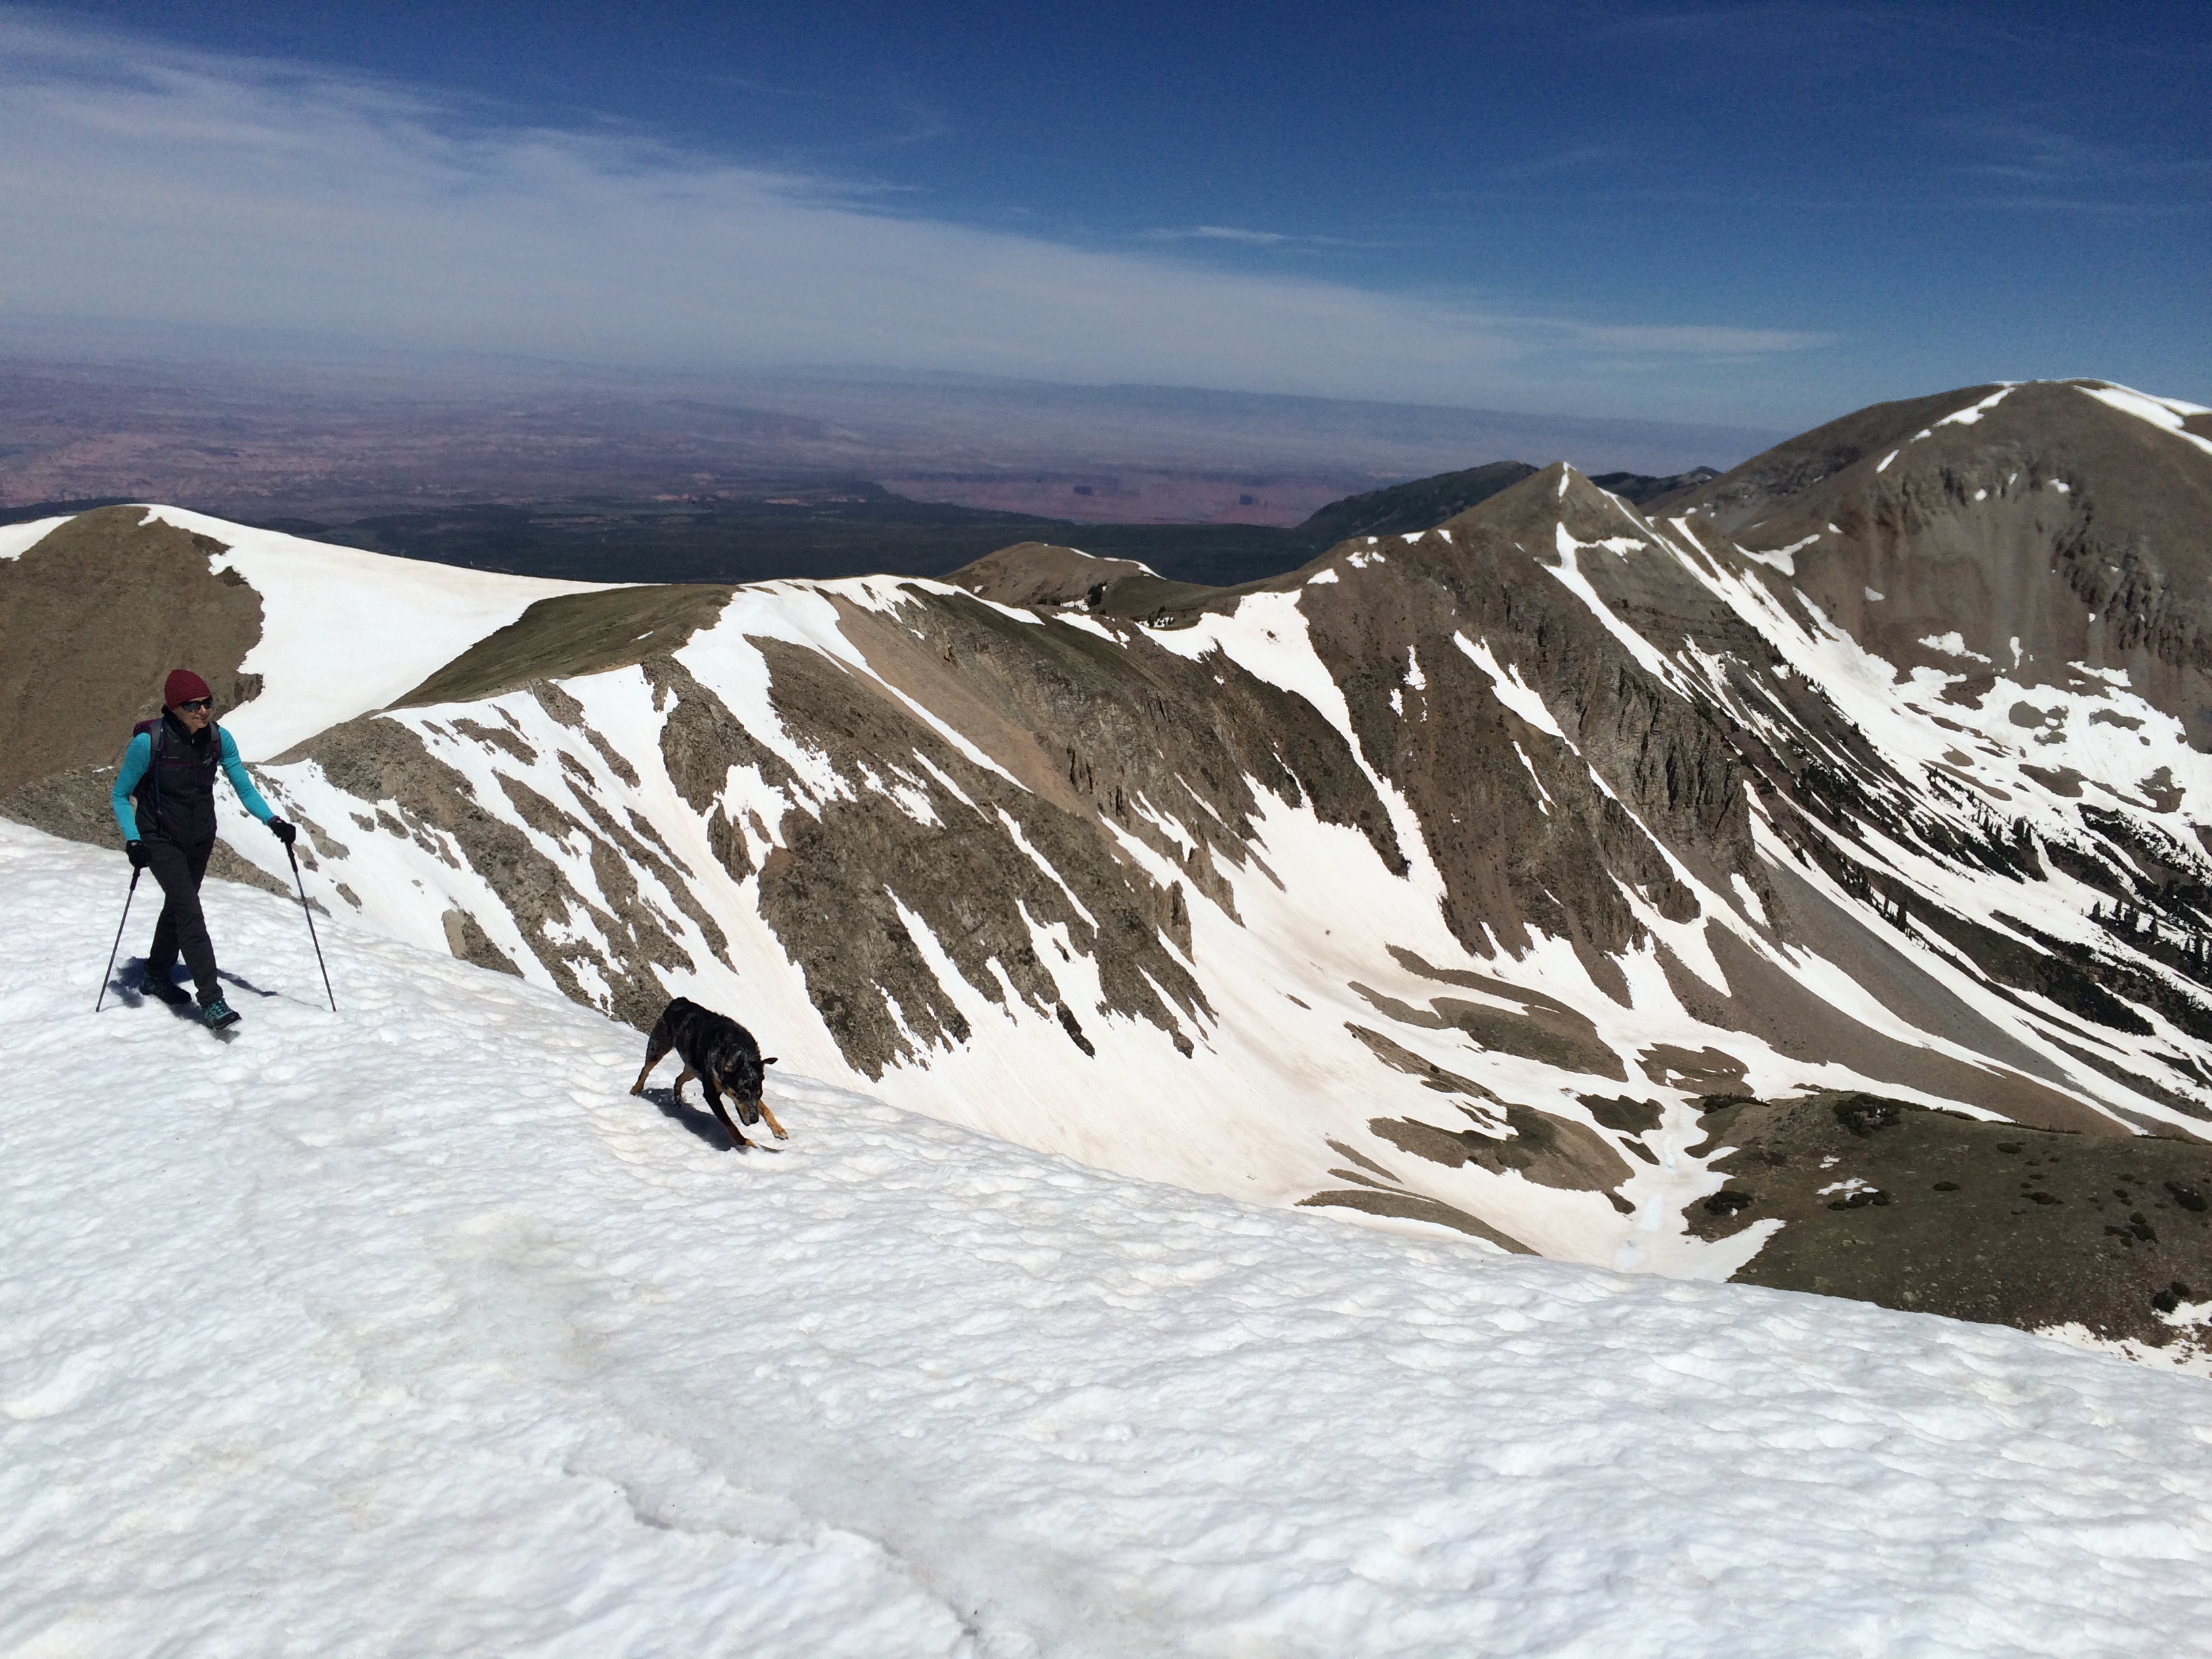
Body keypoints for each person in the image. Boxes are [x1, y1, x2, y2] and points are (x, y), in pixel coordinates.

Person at [110, 669, 298, 1031]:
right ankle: (211, 1000)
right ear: (173, 708)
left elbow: (243, 787)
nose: (203, 711)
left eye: (207, 702)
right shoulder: (149, 742)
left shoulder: (218, 738)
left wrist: (272, 821)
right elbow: (120, 795)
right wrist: (133, 840)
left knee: (179, 907)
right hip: (159, 837)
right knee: (190, 913)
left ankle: (155, 974)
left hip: (199, 837)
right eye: (192, 705)